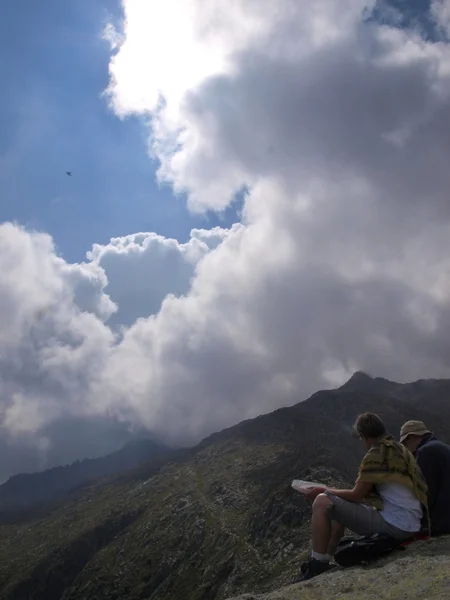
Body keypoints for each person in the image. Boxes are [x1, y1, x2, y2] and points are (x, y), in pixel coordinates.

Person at [297, 413, 428, 582]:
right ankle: (326, 558)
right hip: (412, 523)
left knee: (323, 501)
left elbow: (357, 496)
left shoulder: (376, 454)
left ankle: (317, 565)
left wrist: (325, 489)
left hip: (397, 526)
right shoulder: (398, 449)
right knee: (337, 506)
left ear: (364, 436)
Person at [400, 420, 450, 536]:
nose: (406, 449)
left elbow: (425, 492)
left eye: (405, 444)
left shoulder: (425, 452)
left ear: (411, 437)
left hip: (443, 522)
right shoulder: (443, 447)